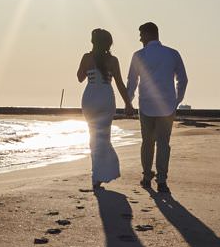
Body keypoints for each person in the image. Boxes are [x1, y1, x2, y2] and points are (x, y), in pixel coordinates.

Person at [125, 22, 188, 192]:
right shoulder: (172, 54)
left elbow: (132, 81)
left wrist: (128, 101)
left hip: (146, 104)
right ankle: (161, 180)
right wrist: (176, 100)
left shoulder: (139, 55)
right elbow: (183, 79)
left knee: (147, 142)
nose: (139, 38)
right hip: (167, 105)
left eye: (141, 34)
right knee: (163, 143)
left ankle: (146, 177)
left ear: (147, 34)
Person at [77, 28, 132, 190]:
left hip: (91, 97)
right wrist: (128, 104)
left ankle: (97, 174)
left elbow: (80, 78)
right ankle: (101, 173)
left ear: (93, 42)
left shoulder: (87, 57)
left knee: (93, 136)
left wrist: (87, 66)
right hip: (107, 97)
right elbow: (120, 84)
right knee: (104, 137)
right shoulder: (113, 60)